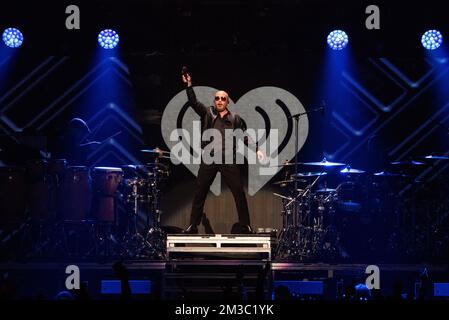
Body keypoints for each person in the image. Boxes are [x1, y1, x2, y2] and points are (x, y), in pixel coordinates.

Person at [181, 72, 264, 234]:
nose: (219, 101)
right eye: (217, 98)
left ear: (227, 102)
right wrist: (189, 85)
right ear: (214, 101)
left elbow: (245, 135)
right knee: (200, 192)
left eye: (223, 98)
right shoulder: (207, 113)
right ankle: (193, 225)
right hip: (209, 159)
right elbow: (193, 102)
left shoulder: (235, 119)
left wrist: (257, 149)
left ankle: (245, 224)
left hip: (228, 160)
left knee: (239, 193)